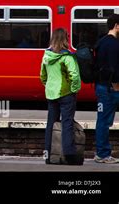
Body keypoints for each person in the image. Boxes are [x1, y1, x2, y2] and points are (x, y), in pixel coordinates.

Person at [40, 28, 81, 165]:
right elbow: (74, 75)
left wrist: (49, 86)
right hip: (66, 93)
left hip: (51, 94)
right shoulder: (67, 57)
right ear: (65, 40)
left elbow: (42, 76)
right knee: (67, 123)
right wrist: (74, 90)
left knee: (51, 124)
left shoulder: (46, 56)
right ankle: (69, 154)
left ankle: (48, 154)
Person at [94, 14, 119, 163]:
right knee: (104, 121)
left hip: (102, 87)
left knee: (102, 120)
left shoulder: (101, 41)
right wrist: (116, 87)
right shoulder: (114, 44)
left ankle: (101, 153)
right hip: (110, 89)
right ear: (116, 26)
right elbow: (114, 68)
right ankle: (103, 154)